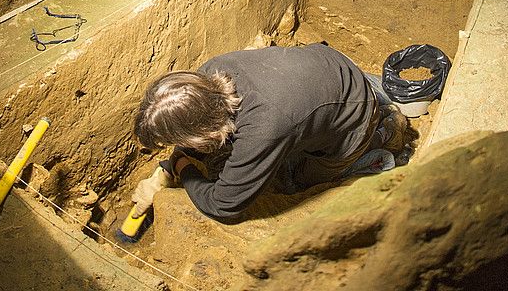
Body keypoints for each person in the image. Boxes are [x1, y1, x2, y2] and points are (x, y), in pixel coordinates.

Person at [131, 43, 407, 223]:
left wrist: (182, 166)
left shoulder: (265, 127)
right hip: (327, 65)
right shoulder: (206, 75)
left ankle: (384, 133)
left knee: (292, 180)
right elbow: (203, 130)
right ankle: (371, 92)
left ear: (204, 132)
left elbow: (223, 206)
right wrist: (166, 168)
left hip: (353, 118)